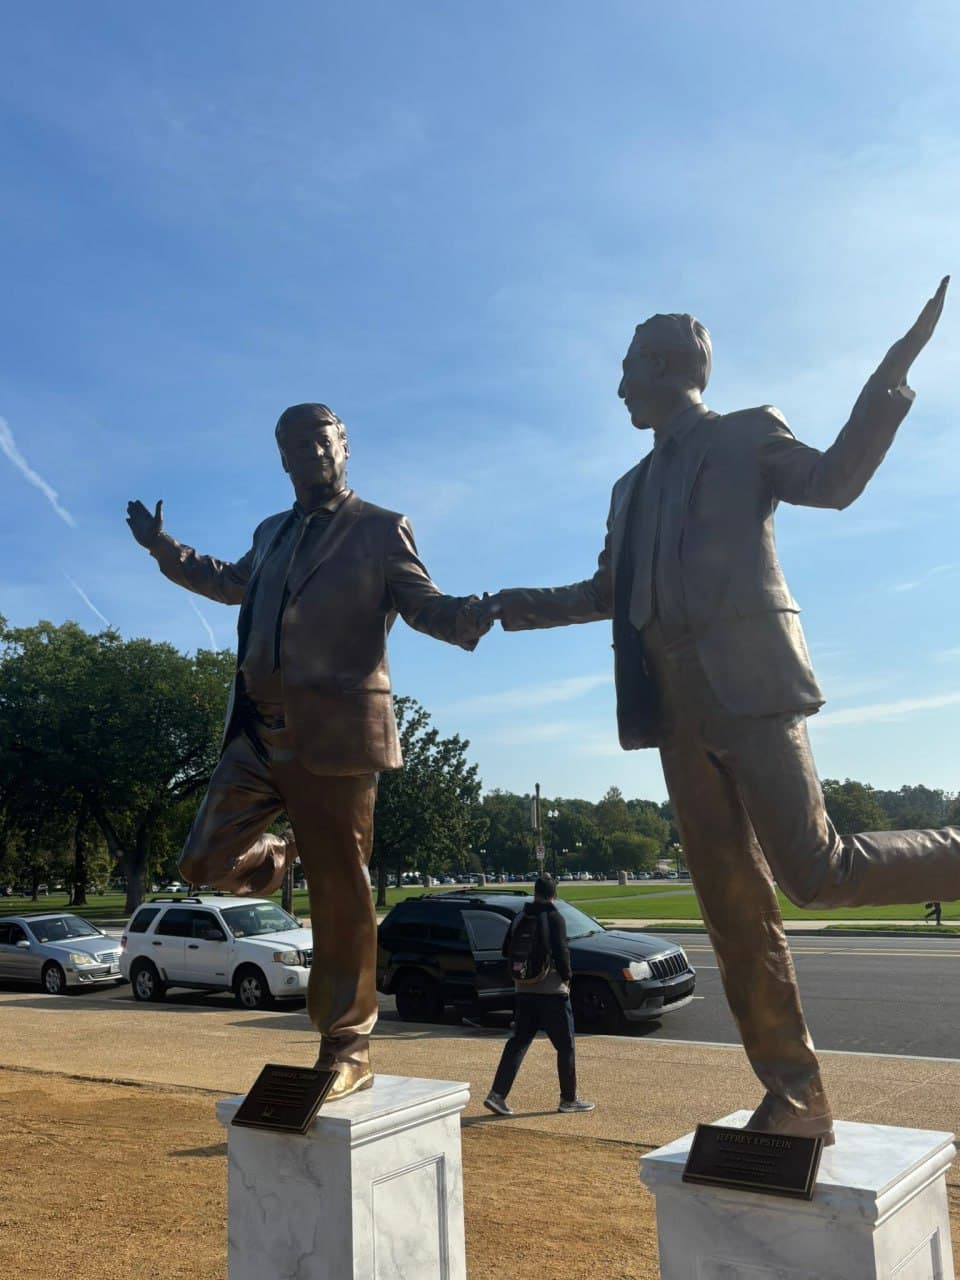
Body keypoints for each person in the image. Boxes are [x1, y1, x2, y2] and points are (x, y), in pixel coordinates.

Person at [480, 280, 959, 1145]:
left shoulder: (748, 434)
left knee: (815, 872)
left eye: (628, 369)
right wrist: (510, 604)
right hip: (674, 710)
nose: (620, 386)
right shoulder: (626, 490)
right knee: (735, 913)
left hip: (750, 684)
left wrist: (892, 371)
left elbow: (837, 480)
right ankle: (796, 1097)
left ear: (665, 367)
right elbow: (605, 590)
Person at [126, 402, 492, 1101]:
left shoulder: (382, 528)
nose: (311, 456)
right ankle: (281, 852)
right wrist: (161, 548)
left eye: (321, 443)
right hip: (258, 734)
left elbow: (421, 602)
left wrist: (462, 619)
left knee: (342, 892)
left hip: (336, 736)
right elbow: (225, 581)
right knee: (202, 860)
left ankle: (347, 1045)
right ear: (283, 459)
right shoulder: (269, 532)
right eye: (295, 447)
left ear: (345, 447)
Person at [484, 875, 595, 1116]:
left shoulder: (521, 917)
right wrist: (567, 978)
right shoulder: (555, 917)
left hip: (524, 990)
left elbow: (506, 950)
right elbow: (561, 951)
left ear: (534, 893)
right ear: (554, 895)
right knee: (565, 1047)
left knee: (518, 1043)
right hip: (552, 992)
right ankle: (569, 1099)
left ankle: (497, 1095)